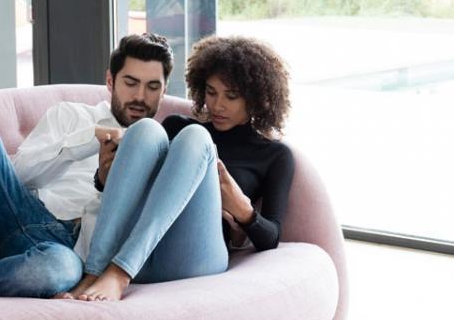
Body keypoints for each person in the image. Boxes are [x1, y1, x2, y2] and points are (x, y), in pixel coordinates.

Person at [0, 33, 173, 297]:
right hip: (18, 209)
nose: (140, 96)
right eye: (131, 83)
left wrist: (105, 183)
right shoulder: (70, 115)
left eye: (152, 87)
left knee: (59, 270)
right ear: (110, 81)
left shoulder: (162, 154)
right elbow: (21, 175)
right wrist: (88, 139)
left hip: (65, 249)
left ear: (164, 91)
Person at [63, 35, 294, 301]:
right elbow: (138, 184)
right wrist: (103, 177)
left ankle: (119, 272)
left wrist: (241, 206)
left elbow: (271, 238)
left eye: (231, 96)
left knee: (196, 137)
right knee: (147, 128)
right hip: (143, 254)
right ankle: (95, 270)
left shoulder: (274, 155)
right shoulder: (175, 126)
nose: (217, 105)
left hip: (194, 259)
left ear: (256, 98)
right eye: (211, 92)